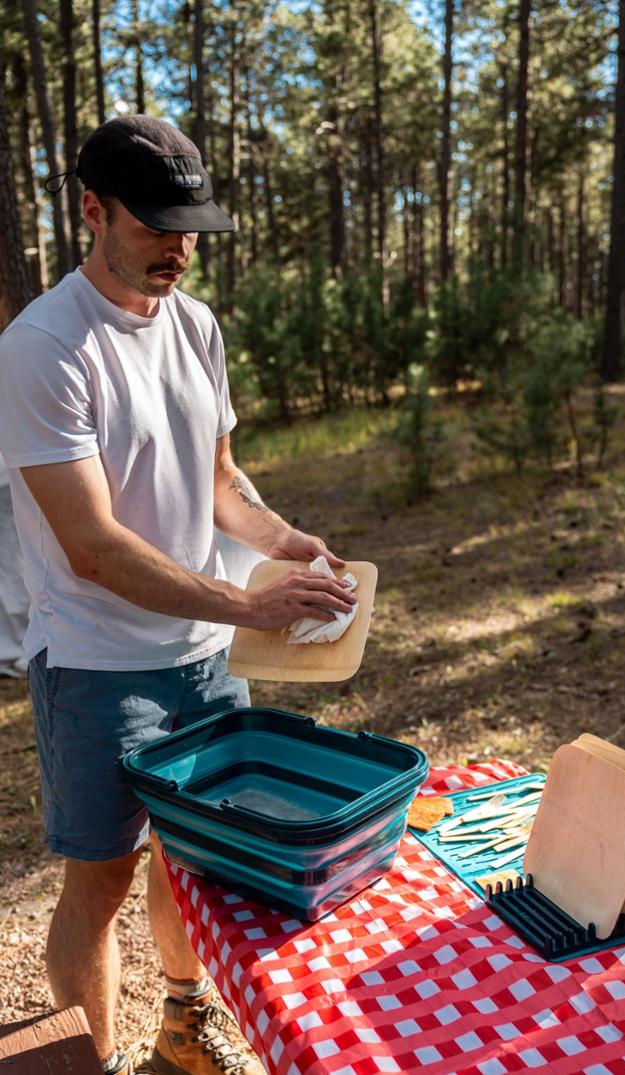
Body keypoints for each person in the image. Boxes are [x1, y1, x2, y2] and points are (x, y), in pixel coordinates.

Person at [0, 115, 356, 1075]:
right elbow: (93, 548)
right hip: (97, 664)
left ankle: (183, 1028)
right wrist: (248, 606)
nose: (179, 246)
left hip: (205, 658)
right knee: (100, 880)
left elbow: (218, 482)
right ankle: (90, 1064)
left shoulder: (197, 325)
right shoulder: (43, 347)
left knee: (197, 863)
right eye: (156, 224)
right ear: (90, 209)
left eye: (190, 225)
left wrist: (285, 542)